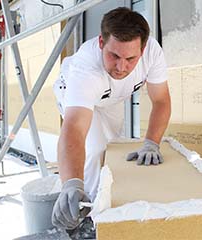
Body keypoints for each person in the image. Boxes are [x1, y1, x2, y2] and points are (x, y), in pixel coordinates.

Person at [51, 7, 171, 231]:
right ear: (100, 43)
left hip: (112, 99)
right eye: (114, 55)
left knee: (113, 148)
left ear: (143, 49)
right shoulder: (85, 69)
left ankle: (105, 203)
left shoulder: (153, 53)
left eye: (130, 58)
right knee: (95, 148)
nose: (121, 67)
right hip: (76, 94)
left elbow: (161, 100)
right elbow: (74, 129)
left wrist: (151, 143)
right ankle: (86, 217)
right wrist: (72, 183)